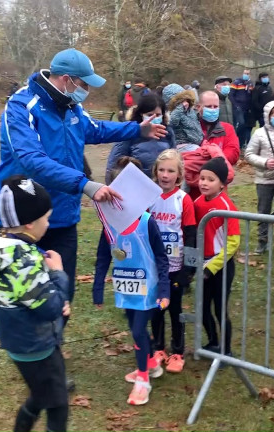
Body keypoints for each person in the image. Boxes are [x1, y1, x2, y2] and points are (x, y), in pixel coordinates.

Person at [0, 49, 168, 372]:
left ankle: (52, 356)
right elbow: (31, 159)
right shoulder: (21, 107)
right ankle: (32, 355)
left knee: (62, 290)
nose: (86, 91)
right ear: (66, 80)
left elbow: (96, 130)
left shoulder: (71, 105)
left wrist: (137, 130)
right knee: (25, 289)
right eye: (83, 84)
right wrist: (87, 185)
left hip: (61, 215)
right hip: (23, 218)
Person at [0, 175, 71, 432]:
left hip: (19, 341)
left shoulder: (4, 251)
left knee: (42, 394)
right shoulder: (23, 262)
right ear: (30, 224)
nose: (48, 224)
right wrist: (58, 274)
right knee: (57, 405)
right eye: (47, 219)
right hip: (35, 345)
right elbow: (49, 307)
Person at [92, 157, 170, 405]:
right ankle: (149, 363)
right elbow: (103, 256)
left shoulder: (148, 223)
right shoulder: (108, 225)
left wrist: (165, 290)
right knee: (135, 330)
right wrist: (97, 289)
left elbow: (161, 256)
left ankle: (143, 380)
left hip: (148, 289)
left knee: (138, 331)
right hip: (125, 288)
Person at [148, 150, 196, 374]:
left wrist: (188, 268)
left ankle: (178, 350)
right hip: (154, 266)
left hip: (176, 267)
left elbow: (191, 233)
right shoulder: (150, 197)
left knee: (175, 310)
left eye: (170, 171)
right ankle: (158, 348)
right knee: (156, 309)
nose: (165, 175)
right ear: (155, 172)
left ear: (179, 175)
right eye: (161, 170)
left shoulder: (183, 199)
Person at [194, 157, 239, 356]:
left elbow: (233, 242)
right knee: (203, 308)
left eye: (210, 179)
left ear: (222, 183)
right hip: (202, 263)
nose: (204, 183)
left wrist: (212, 266)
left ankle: (226, 351)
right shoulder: (196, 202)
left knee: (220, 309)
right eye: (202, 178)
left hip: (221, 266)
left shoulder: (226, 206)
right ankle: (212, 341)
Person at [245, 100, 274, 254]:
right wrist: (264, 162)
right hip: (264, 178)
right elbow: (249, 154)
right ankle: (262, 241)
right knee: (264, 210)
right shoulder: (259, 134)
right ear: (268, 116)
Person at [105, 93, 175, 183]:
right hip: (136, 184)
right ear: (141, 114)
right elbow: (114, 163)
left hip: (162, 186)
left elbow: (175, 160)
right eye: (150, 115)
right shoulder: (129, 133)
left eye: (158, 115)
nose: (154, 118)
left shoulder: (168, 132)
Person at [162, 84, 203, 153]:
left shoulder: (189, 109)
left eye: (186, 100)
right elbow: (172, 122)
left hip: (196, 143)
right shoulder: (173, 113)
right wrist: (180, 107)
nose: (185, 103)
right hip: (183, 145)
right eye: (180, 101)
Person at [230, 69, 254, 150]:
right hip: (238, 107)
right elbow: (231, 95)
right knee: (241, 123)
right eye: (245, 73)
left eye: (248, 73)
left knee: (245, 126)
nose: (246, 75)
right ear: (242, 73)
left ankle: (241, 144)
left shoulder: (250, 84)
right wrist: (235, 105)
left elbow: (251, 96)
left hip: (247, 108)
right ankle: (235, 137)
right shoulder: (236, 82)